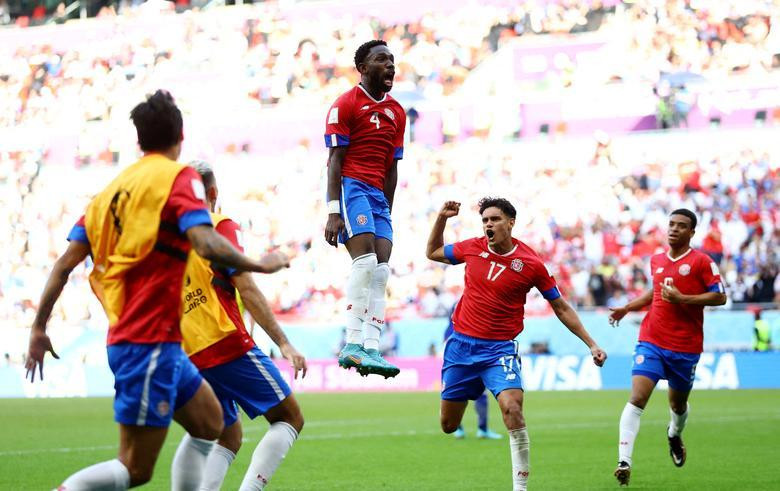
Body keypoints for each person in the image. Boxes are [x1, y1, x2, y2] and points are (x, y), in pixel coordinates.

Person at [25, 90, 286, 490]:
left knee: (211, 423)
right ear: (179, 136)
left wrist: (39, 327)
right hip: (146, 341)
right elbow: (204, 240)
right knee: (135, 468)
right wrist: (257, 264)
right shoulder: (177, 178)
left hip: (159, 342)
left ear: (138, 140)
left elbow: (63, 267)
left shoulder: (106, 195)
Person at [426, 198, 607, 491]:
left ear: (510, 223)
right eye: (484, 220)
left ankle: (520, 489)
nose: (488, 225)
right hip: (461, 347)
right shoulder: (472, 247)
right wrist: (441, 219)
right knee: (448, 425)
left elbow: (560, 306)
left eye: (494, 219)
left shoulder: (532, 264)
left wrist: (591, 343)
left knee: (512, 407)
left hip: (499, 349)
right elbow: (433, 252)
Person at [174, 160, 307, 490]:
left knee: (227, 434)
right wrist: (284, 343)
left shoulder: (173, 238)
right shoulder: (220, 225)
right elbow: (246, 286)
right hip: (223, 341)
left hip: (187, 352)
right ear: (213, 192)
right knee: (290, 417)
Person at [609, 208, 727, 487]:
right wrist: (628, 307)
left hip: (685, 347)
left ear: (691, 232)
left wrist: (682, 298)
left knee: (678, 404)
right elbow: (656, 290)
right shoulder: (657, 260)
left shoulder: (702, 262)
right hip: (651, 340)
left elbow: (720, 296)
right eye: (671, 224)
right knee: (637, 398)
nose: (673, 229)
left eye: (681, 225)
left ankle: (674, 434)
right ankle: (624, 461)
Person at [323, 39, 406, 378]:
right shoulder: (345, 104)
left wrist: (386, 208)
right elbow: (334, 160)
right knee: (366, 261)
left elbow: (392, 166)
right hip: (351, 187)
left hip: (377, 197)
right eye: (382, 59)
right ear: (362, 67)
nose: (390, 65)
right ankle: (352, 343)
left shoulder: (397, 112)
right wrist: (332, 211)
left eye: (392, 60)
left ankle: (372, 347)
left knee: (382, 271)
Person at [443, 302, 502, 440]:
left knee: (457, 396)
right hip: (470, 361)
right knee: (472, 395)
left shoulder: (450, 329)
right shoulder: (461, 327)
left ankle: (467, 429)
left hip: (462, 363)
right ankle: (479, 429)